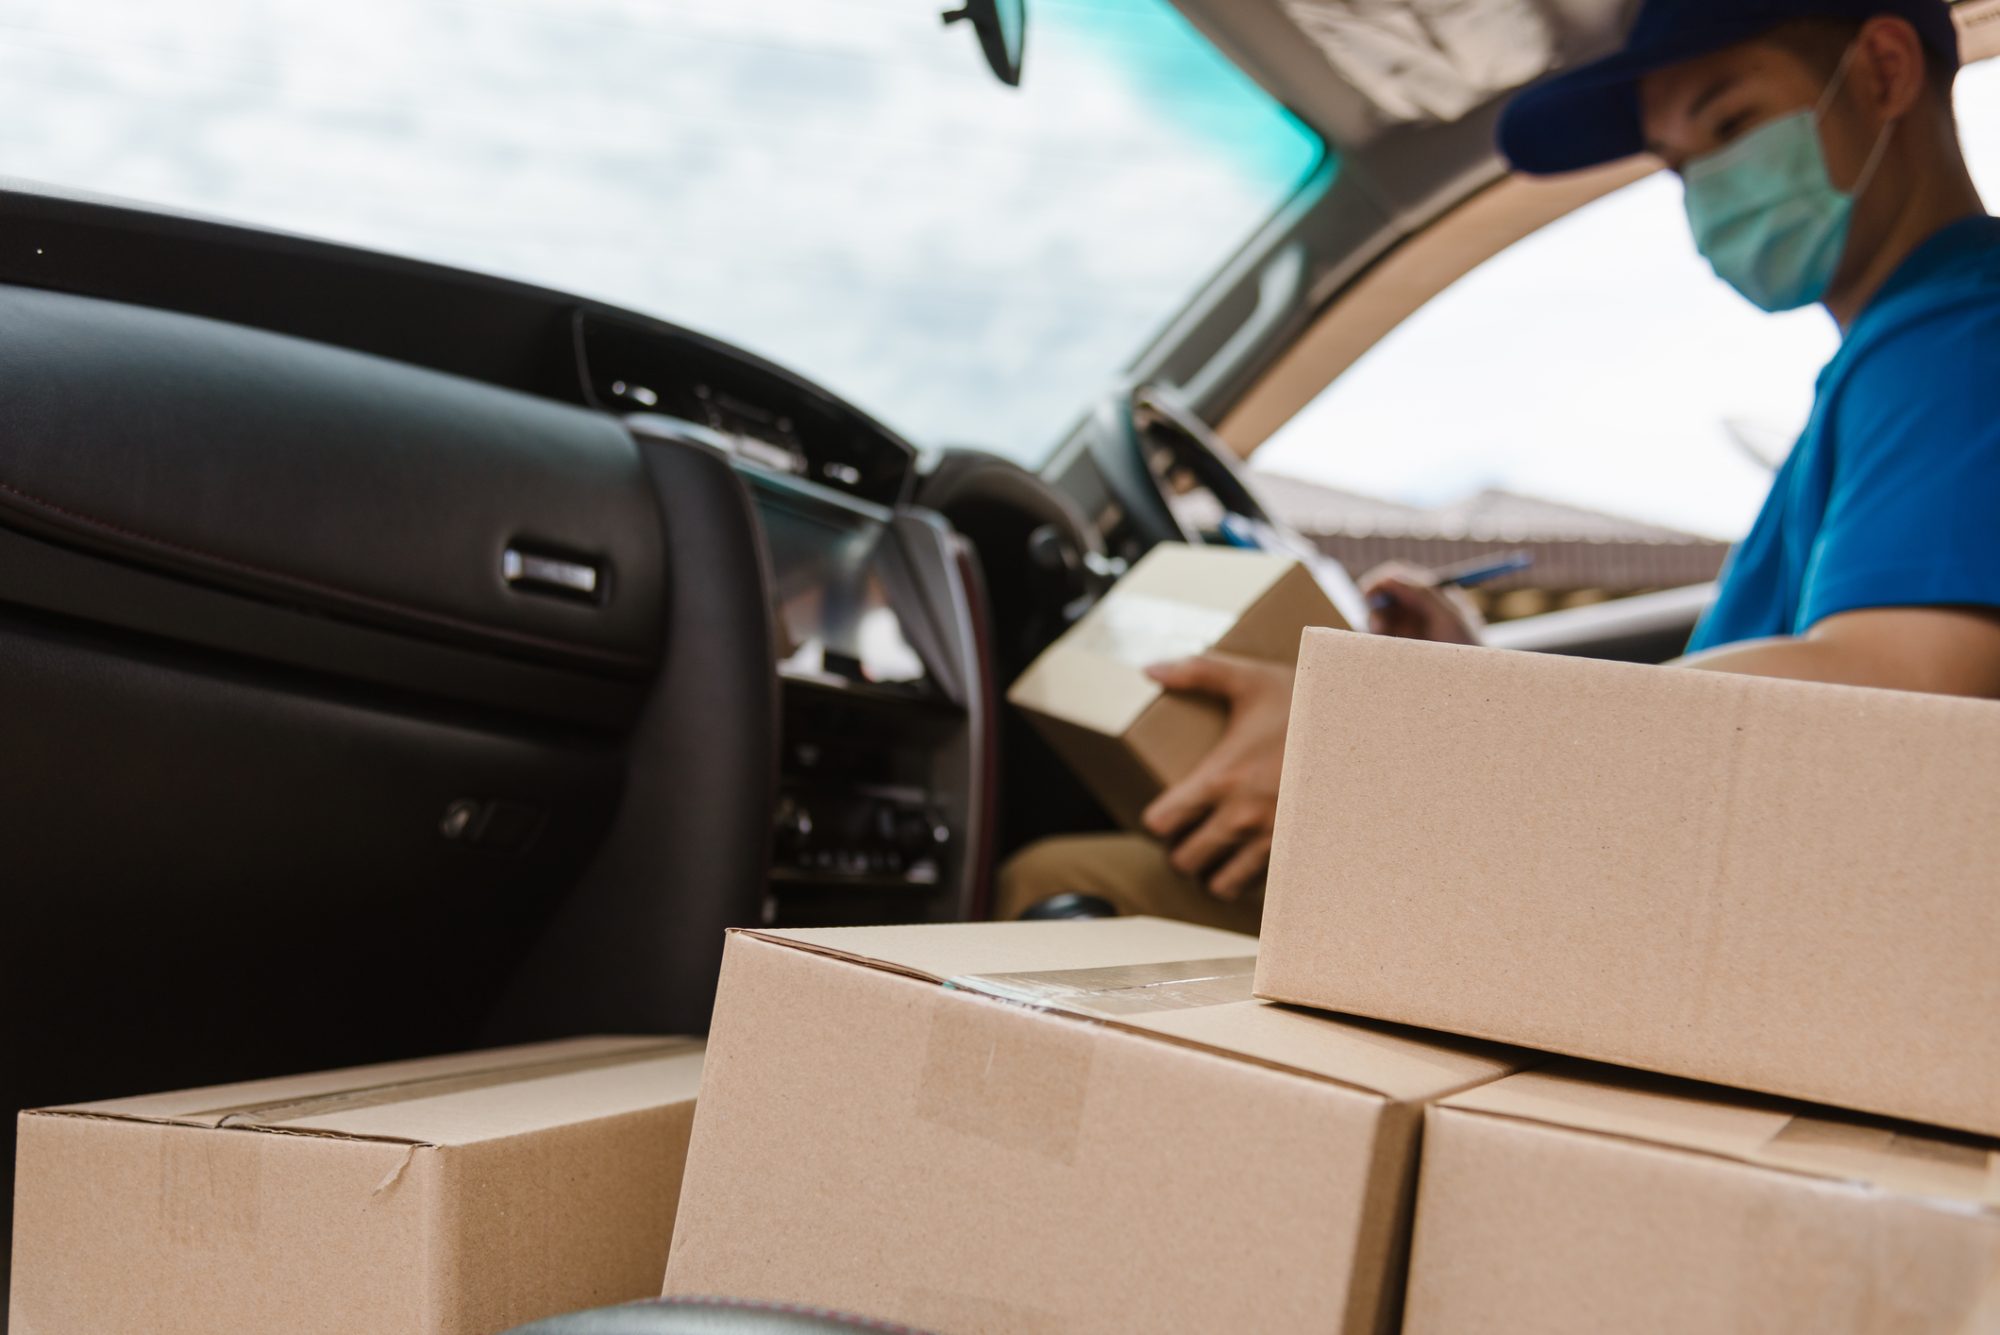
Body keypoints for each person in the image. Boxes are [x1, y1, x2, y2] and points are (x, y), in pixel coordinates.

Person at [996, 0, 2000, 931]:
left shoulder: (1962, 338)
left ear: (1880, 70)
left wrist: (1384, 741)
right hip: (1697, 884)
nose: (1704, 197)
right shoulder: (1890, 357)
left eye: (1729, 126)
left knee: (1064, 885)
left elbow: (1893, 692)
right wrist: (1472, 683)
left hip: (1721, 917)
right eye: (1678, 167)